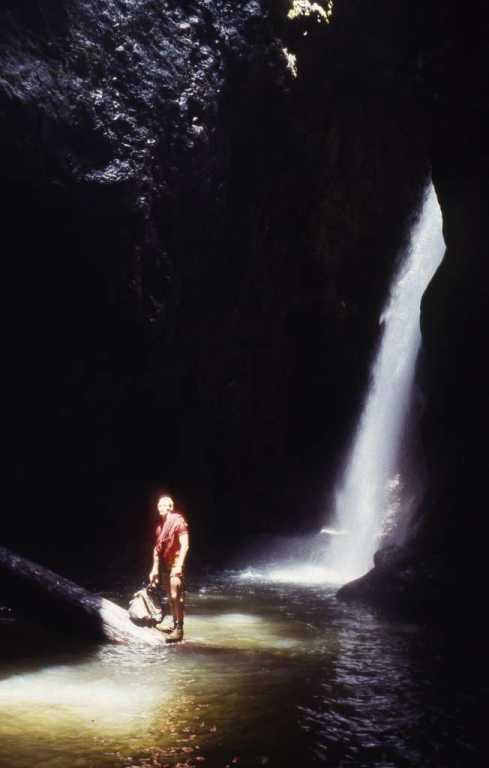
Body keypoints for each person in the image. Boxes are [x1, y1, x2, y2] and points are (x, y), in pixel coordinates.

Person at [149, 494, 189, 643]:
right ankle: (173, 624)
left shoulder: (179, 522)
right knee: (170, 596)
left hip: (176, 562)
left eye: (162, 505)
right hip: (166, 563)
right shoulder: (160, 527)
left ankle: (180, 628)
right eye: (158, 505)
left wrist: (179, 565)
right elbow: (157, 550)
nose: (159, 508)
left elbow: (185, 544)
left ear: (170, 507)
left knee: (175, 596)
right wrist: (154, 569)